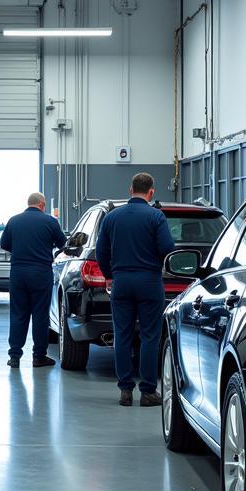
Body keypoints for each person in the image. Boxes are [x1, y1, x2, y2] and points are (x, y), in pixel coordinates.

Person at [95, 172, 175, 407]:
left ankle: (125, 391)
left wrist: (110, 275)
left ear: (130, 191)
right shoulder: (156, 216)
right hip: (149, 282)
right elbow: (167, 247)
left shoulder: (111, 217)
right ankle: (148, 391)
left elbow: (101, 252)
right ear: (151, 192)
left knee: (122, 335)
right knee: (150, 336)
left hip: (120, 282)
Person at [0, 192, 66, 368]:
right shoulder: (50, 221)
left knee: (18, 314)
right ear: (42, 205)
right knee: (40, 315)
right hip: (40, 273)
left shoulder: (13, 221)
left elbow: (4, 244)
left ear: (28, 204)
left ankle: (14, 357)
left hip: (18, 273)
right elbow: (63, 244)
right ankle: (39, 357)